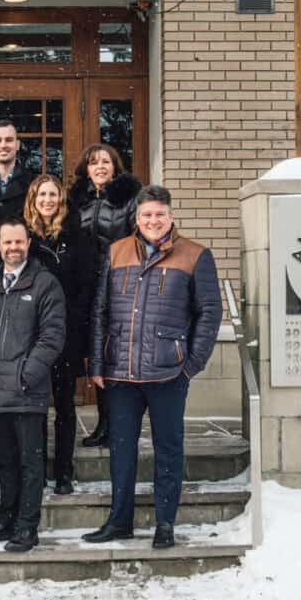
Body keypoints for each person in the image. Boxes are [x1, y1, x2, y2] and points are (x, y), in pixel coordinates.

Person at [83, 185, 221, 549]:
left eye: (160, 214)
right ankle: (119, 521)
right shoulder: (116, 252)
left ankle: (165, 523)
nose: (153, 221)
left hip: (168, 373)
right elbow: (100, 310)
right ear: (137, 218)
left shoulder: (195, 255)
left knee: (168, 450)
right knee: (121, 450)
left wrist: (191, 364)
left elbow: (209, 313)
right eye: (146, 215)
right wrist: (97, 361)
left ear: (170, 216)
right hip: (121, 373)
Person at [0, 217, 65, 552]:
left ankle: (27, 526)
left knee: (30, 462)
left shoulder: (44, 284)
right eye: (7, 242)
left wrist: (26, 374)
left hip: (26, 392)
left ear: (28, 243)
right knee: (5, 462)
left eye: (19, 242)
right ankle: (5, 520)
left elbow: (52, 337)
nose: (13, 247)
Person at [68, 143, 142, 449]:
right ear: (86, 169)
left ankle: (118, 426)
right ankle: (104, 423)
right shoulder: (77, 202)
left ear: (115, 167)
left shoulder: (129, 199)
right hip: (86, 287)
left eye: (106, 162)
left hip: (118, 286)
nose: (100, 167)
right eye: (93, 162)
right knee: (96, 356)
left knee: (115, 358)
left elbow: (138, 242)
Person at [23, 174, 82, 495]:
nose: (47, 200)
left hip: (65, 333)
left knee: (64, 406)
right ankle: (36, 467)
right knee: (34, 406)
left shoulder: (76, 236)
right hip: (31, 334)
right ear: (33, 199)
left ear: (61, 200)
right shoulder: (25, 237)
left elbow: (85, 285)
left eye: (53, 195)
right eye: (41, 194)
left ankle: (64, 471)